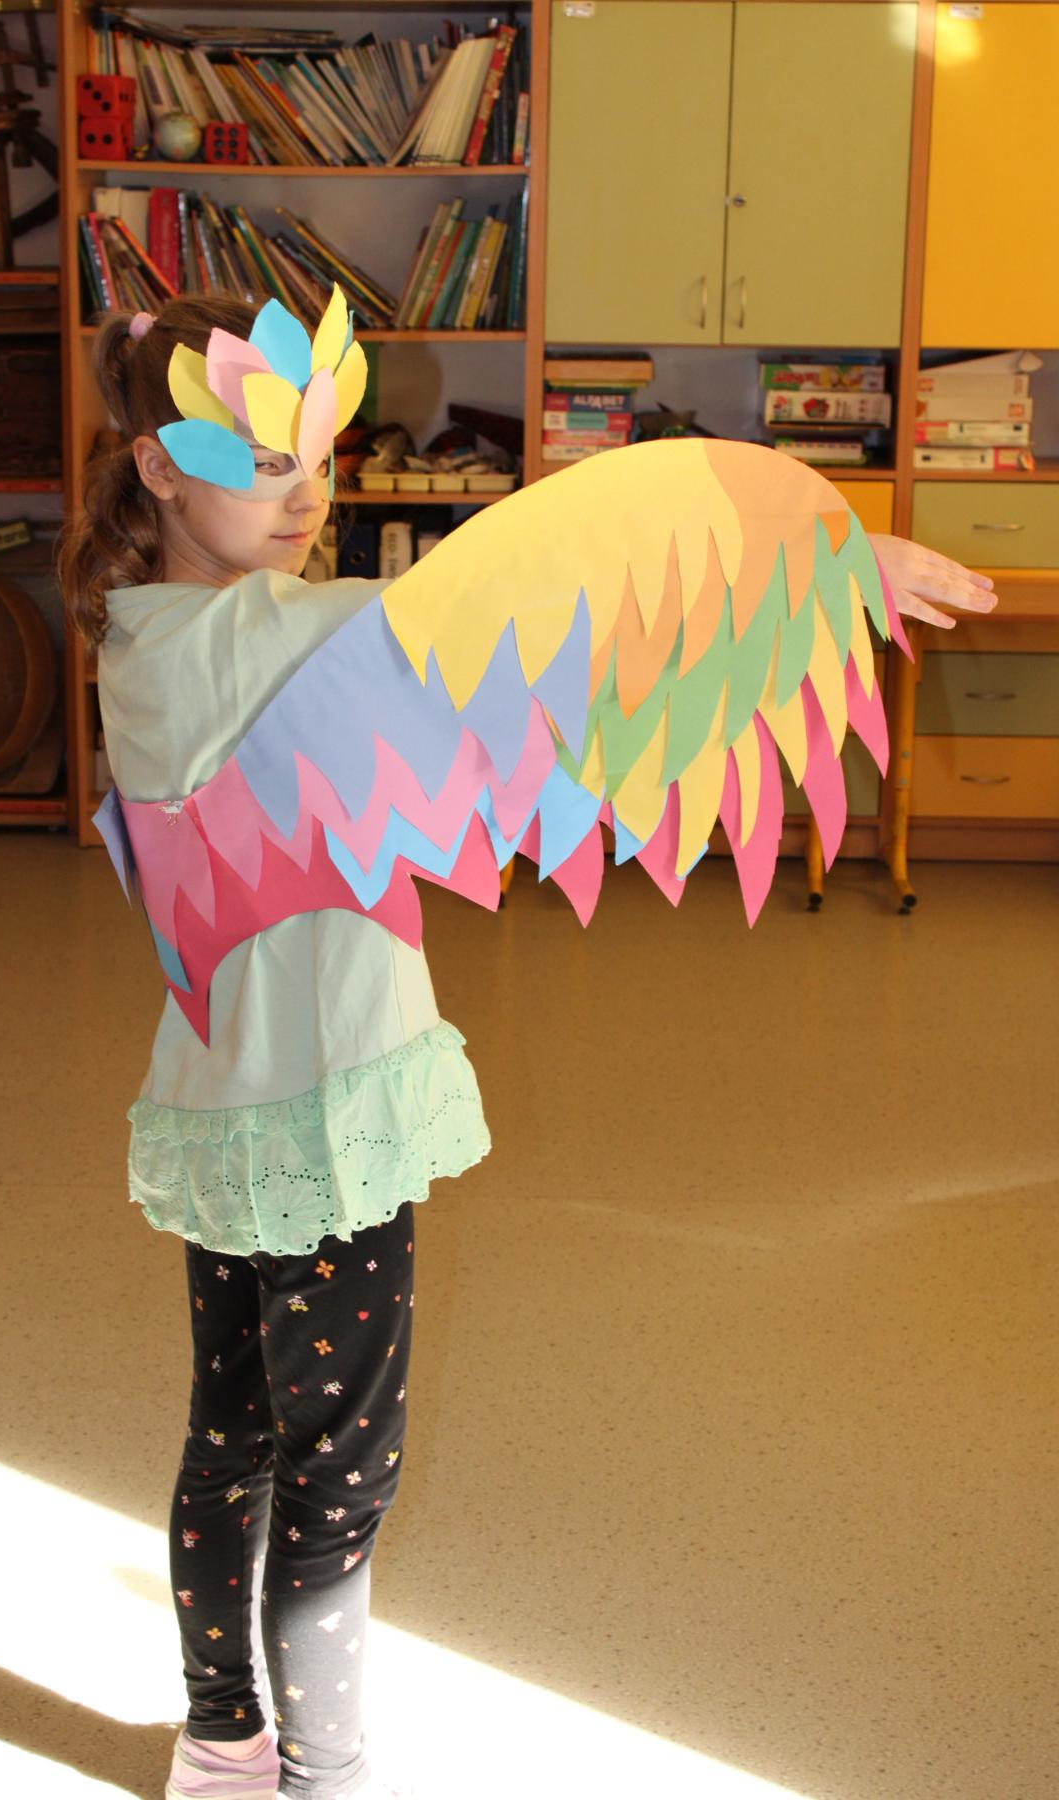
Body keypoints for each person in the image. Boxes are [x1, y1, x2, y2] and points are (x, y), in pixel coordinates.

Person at [58, 289, 996, 1800]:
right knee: (341, 1474)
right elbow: (533, 625)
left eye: (321, 458)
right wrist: (819, 571)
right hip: (331, 1119)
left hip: (228, 1110)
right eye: (265, 463)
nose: (308, 495)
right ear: (161, 471)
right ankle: (322, 1770)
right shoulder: (265, 640)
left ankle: (221, 1736)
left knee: (233, 1436)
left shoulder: (148, 632)